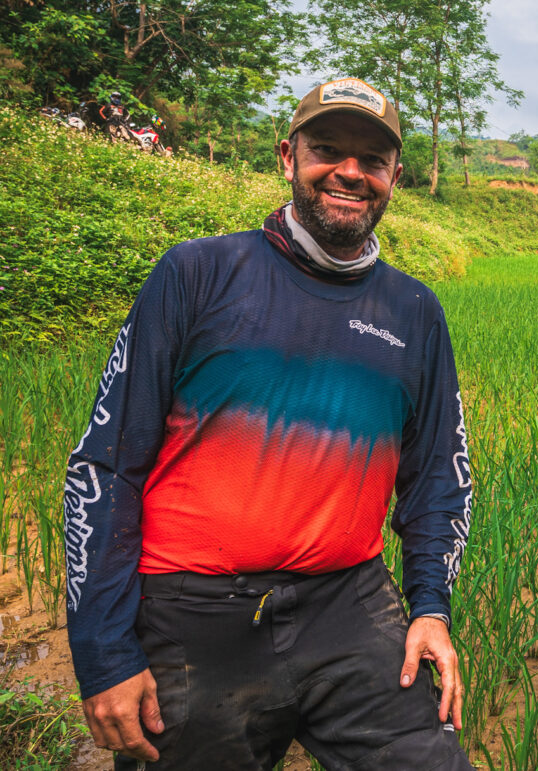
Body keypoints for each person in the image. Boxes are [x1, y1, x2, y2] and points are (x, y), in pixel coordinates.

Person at [64, 77, 474, 769]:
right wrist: (104, 651)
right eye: (327, 149)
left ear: (394, 177)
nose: (350, 170)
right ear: (288, 156)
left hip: (348, 605)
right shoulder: (198, 273)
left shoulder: (415, 312)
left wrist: (430, 607)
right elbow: (106, 465)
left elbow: (438, 477)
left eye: (372, 159)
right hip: (189, 613)